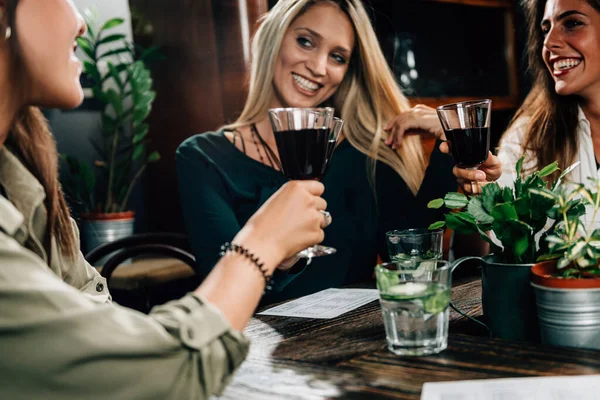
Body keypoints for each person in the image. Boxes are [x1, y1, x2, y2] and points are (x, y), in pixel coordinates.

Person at [0, 1, 328, 398]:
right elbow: (163, 373)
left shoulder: (25, 180)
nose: (83, 22)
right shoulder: (203, 154)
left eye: (339, 57)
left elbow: (106, 339)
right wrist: (262, 243)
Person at [177, 0, 456, 304]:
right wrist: (280, 254)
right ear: (275, 38)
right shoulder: (203, 157)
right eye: (305, 42)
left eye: (337, 57)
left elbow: (413, 265)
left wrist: (449, 145)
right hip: (257, 348)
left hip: (357, 343)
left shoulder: (363, 152)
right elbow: (221, 294)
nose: (319, 67)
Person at [443, 0, 600, 195]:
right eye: (545, 29)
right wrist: (488, 196)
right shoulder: (529, 137)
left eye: (572, 23)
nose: (549, 43)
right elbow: (503, 222)